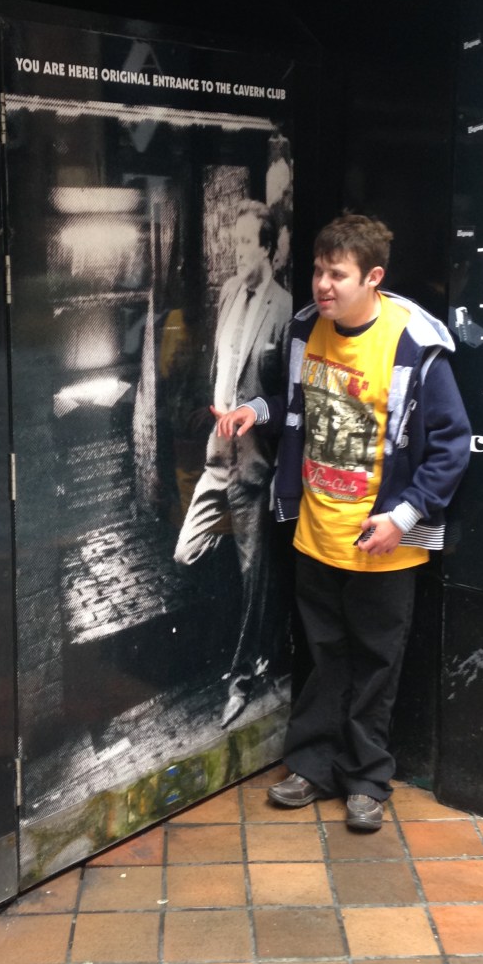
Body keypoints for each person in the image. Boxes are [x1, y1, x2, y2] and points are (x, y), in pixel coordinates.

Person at [213, 213, 470, 830]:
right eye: (318, 271)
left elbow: (451, 444)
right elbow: (299, 402)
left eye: (337, 275)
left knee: (377, 664)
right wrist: (256, 410)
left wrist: (403, 517)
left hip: (384, 542)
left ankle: (367, 780)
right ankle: (313, 766)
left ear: (372, 277)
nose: (323, 285)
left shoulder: (413, 344)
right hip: (317, 532)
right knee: (323, 657)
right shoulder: (308, 328)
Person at [174, 199, 292, 727]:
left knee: (252, 579)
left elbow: (289, 401)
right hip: (216, 457)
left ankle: (242, 680)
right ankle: (260, 619)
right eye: (235, 242)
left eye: (246, 243)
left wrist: (258, 421)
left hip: (254, 465)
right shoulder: (226, 293)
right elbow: (219, 368)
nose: (238, 252)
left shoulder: (285, 309)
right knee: (187, 552)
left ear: (267, 249)